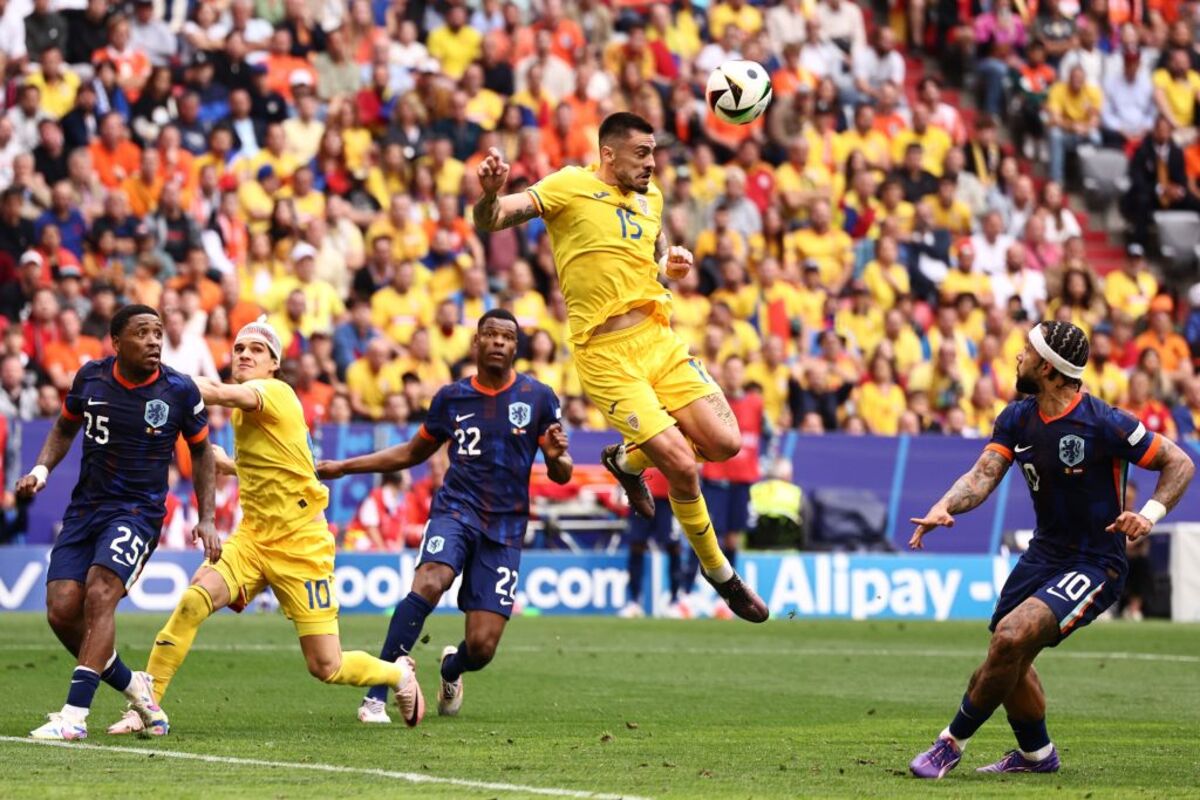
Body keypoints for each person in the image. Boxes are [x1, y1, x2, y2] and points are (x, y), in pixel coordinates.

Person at [472, 111, 767, 623]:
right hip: (607, 356)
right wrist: (490, 195)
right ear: (609, 154)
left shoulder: (651, 200)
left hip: (659, 339)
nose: (651, 164)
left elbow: (651, 258)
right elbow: (494, 219)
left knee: (725, 444)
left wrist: (667, 266)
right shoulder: (569, 185)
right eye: (641, 154)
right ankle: (720, 574)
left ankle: (628, 462)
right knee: (680, 462)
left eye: (653, 153)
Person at [107, 319, 424, 735]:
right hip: (253, 539)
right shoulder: (249, 411)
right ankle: (145, 708)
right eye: (239, 348)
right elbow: (282, 467)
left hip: (302, 546)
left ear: (273, 364)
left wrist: (155, 375)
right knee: (191, 603)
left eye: (256, 350)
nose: (244, 354)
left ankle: (398, 674)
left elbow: (218, 392)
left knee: (326, 666)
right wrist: (231, 466)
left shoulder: (274, 393)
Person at [908, 320, 1194, 779]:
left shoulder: (1105, 422)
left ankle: (949, 745)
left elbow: (1178, 461)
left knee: (1009, 639)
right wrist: (946, 505)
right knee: (1008, 658)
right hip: (1044, 555)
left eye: (1027, 351)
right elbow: (982, 476)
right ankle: (1037, 756)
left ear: (1050, 370)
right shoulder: (1017, 417)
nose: (1018, 355)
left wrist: (1150, 514)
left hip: (1096, 559)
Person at [316, 309, 573, 722]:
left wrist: (558, 459)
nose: (498, 342)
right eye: (490, 334)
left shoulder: (538, 397)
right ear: (476, 342)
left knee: (483, 647)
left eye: (506, 337)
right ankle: (377, 694)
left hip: (505, 529)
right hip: (456, 509)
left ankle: (451, 668)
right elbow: (410, 453)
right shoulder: (451, 398)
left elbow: (562, 474)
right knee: (431, 580)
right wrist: (344, 467)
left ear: (515, 347)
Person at [20, 304, 217, 740]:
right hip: (86, 509)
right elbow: (65, 427)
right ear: (117, 341)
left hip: (138, 511)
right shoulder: (91, 377)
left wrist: (207, 517)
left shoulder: (179, 390)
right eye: (143, 333)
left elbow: (202, 451)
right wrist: (41, 471)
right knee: (61, 611)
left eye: (158, 333)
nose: (154, 341)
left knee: (101, 592)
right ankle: (136, 687)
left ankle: (73, 717)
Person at [620, 467, 685, 618]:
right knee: (636, 545)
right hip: (640, 494)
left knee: (674, 547)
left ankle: (675, 601)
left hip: (669, 497)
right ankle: (634, 602)